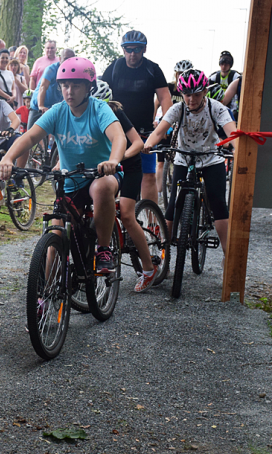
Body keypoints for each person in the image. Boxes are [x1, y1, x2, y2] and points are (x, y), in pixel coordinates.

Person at [0, 58, 129, 280]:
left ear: (89, 87)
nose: (69, 91)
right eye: (65, 86)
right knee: (55, 234)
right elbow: (30, 136)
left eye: (76, 85)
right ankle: (46, 295)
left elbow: (118, 136)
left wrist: (113, 161)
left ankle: (104, 249)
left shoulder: (99, 109)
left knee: (101, 189)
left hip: (103, 174)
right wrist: (9, 158)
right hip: (71, 179)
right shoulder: (58, 111)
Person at [144, 69, 237, 260]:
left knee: (218, 202)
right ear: (182, 94)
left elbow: (232, 132)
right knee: (172, 206)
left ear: (204, 92)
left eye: (196, 94)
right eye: (187, 95)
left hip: (211, 158)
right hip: (184, 158)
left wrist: (236, 148)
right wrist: (148, 144)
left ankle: (229, 256)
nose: (192, 99)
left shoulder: (216, 107)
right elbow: (160, 131)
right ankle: (164, 254)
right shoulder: (178, 109)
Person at [91, 80, 161, 288]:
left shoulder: (116, 113)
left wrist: (119, 158)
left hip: (128, 166)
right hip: (102, 168)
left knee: (128, 215)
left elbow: (138, 143)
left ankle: (148, 268)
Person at [101, 30, 172, 203]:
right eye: (128, 49)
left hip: (144, 131)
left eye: (137, 50)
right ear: (123, 50)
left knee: (148, 176)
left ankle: (153, 222)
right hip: (116, 129)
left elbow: (164, 98)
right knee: (112, 172)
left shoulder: (152, 69)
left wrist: (165, 126)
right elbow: (100, 96)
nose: (132, 54)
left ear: (144, 50)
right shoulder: (115, 67)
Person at [153, 59, 193, 203]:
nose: (181, 76)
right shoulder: (169, 87)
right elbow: (157, 103)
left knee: (182, 160)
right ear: (175, 74)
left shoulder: (190, 90)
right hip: (168, 125)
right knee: (160, 162)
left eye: (184, 74)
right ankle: (159, 192)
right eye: (179, 74)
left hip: (184, 126)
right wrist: (153, 120)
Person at [28, 48, 75, 131]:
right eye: (66, 59)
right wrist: (41, 106)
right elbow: (43, 86)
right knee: (30, 134)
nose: (68, 62)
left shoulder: (72, 72)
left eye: (71, 59)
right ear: (60, 59)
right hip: (38, 106)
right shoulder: (52, 69)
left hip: (54, 107)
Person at [209, 51, 242, 119]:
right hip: (217, 106)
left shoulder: (235, 76)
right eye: (222, 64)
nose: (223, 67)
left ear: (230, 65)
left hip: (232, 107)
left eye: (226, 64)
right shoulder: (214, 77)